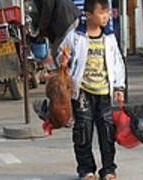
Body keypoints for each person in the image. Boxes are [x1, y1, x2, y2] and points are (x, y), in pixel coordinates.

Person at [54, 0, 126, 179]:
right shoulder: (75, 36)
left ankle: (108, 169)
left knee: (107, 134)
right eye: (101, 13)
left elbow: (118, 63)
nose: (106, 16)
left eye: (107, 12)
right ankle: (86, 169)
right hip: (83, 93)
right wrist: (63, 60)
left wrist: (119, 86)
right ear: (88, 15)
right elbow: (60, 55)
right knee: (83, 132)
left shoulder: (109, 37)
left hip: (104, 93)